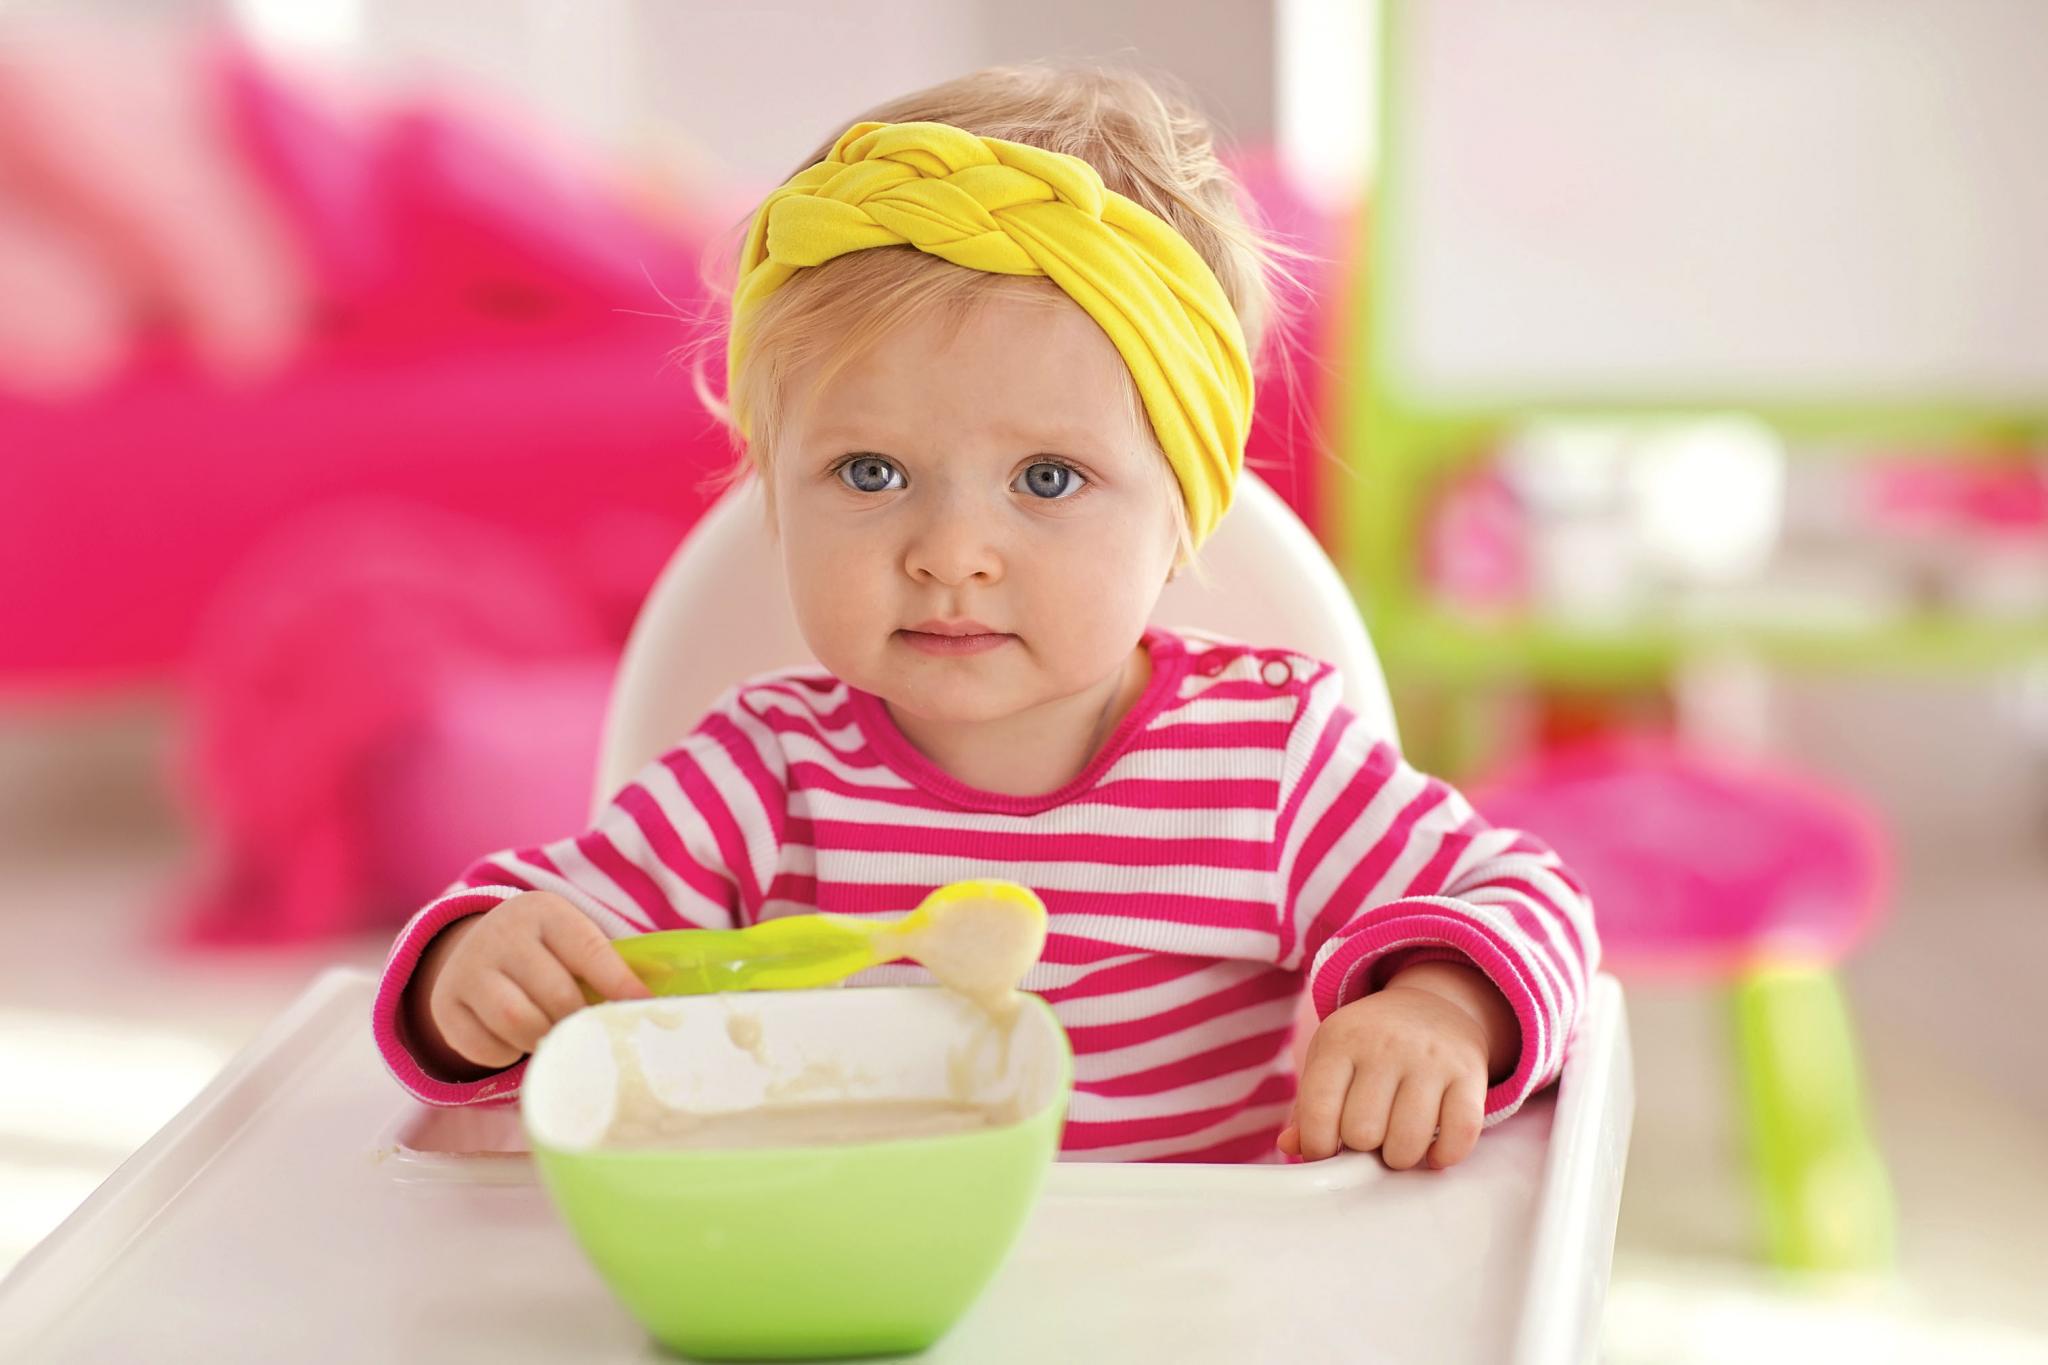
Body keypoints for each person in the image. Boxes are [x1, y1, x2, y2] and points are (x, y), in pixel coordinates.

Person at [372, 64, 1599, 1169]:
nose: (950, 555)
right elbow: (549, 940)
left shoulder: (1266, 766)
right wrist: (472, 979)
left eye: (1046, 480)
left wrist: (1440, 1006)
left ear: (1182, 514)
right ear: (774, 499)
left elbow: (1525, 898)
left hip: (1188, 1299)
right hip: (846, 1288)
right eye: (868, 473)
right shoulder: (763, 780)